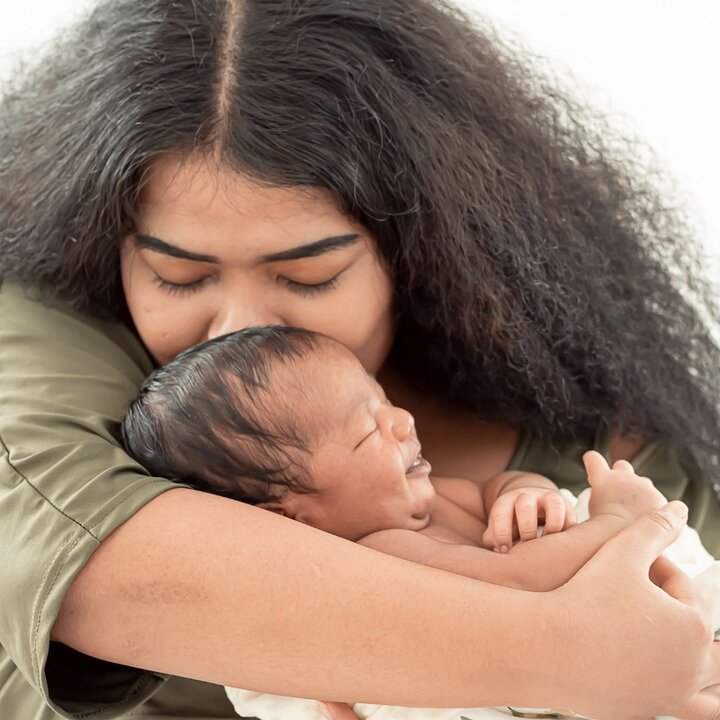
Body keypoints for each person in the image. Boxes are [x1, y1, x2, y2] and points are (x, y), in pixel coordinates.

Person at [0, 1, 719, 719]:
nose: (236, 327)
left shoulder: (608, 434)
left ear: (424, 252)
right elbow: (102, 575)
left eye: (308, 277)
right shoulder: (44, 340)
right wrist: (584, 653)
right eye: (179, 277)